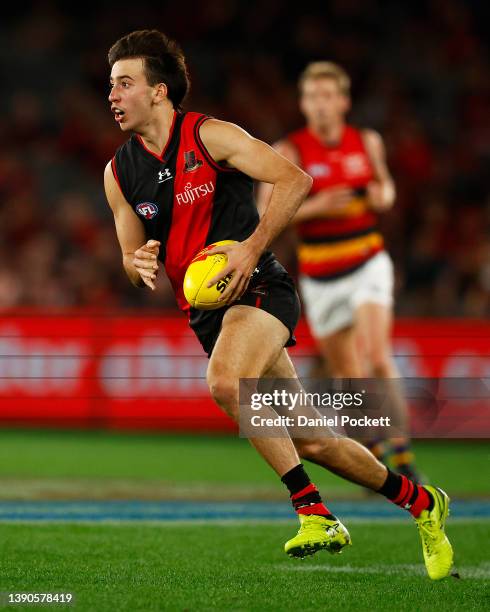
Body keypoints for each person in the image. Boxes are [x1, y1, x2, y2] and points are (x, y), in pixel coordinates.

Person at [104, 30, 453, 580]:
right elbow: (128, 251)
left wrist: (251, 248)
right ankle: (422, 502)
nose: (113, 95)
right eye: (111, 85)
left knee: (225, 383)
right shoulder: (118, 172)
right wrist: (136, 262)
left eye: (125, 83)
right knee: (315, 440)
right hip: (207, 312)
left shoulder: (211, 135)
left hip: (262, 287)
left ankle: (314, 513)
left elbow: (295, 180)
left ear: (161, 91)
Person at [257, 61, 421, 482]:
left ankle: (402, 455)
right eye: (313, 97)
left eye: (329, 96)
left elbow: (385, 187)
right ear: (303, 103)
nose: (321, 105)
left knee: (377, 356)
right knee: (350, 378)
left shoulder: (366, 141)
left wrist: (381, 196)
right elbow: (263, 215)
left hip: (367, 261)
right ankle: (376, 456)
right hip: (319, 275)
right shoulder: (289, 151)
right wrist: (316, 206)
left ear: (344, 101)